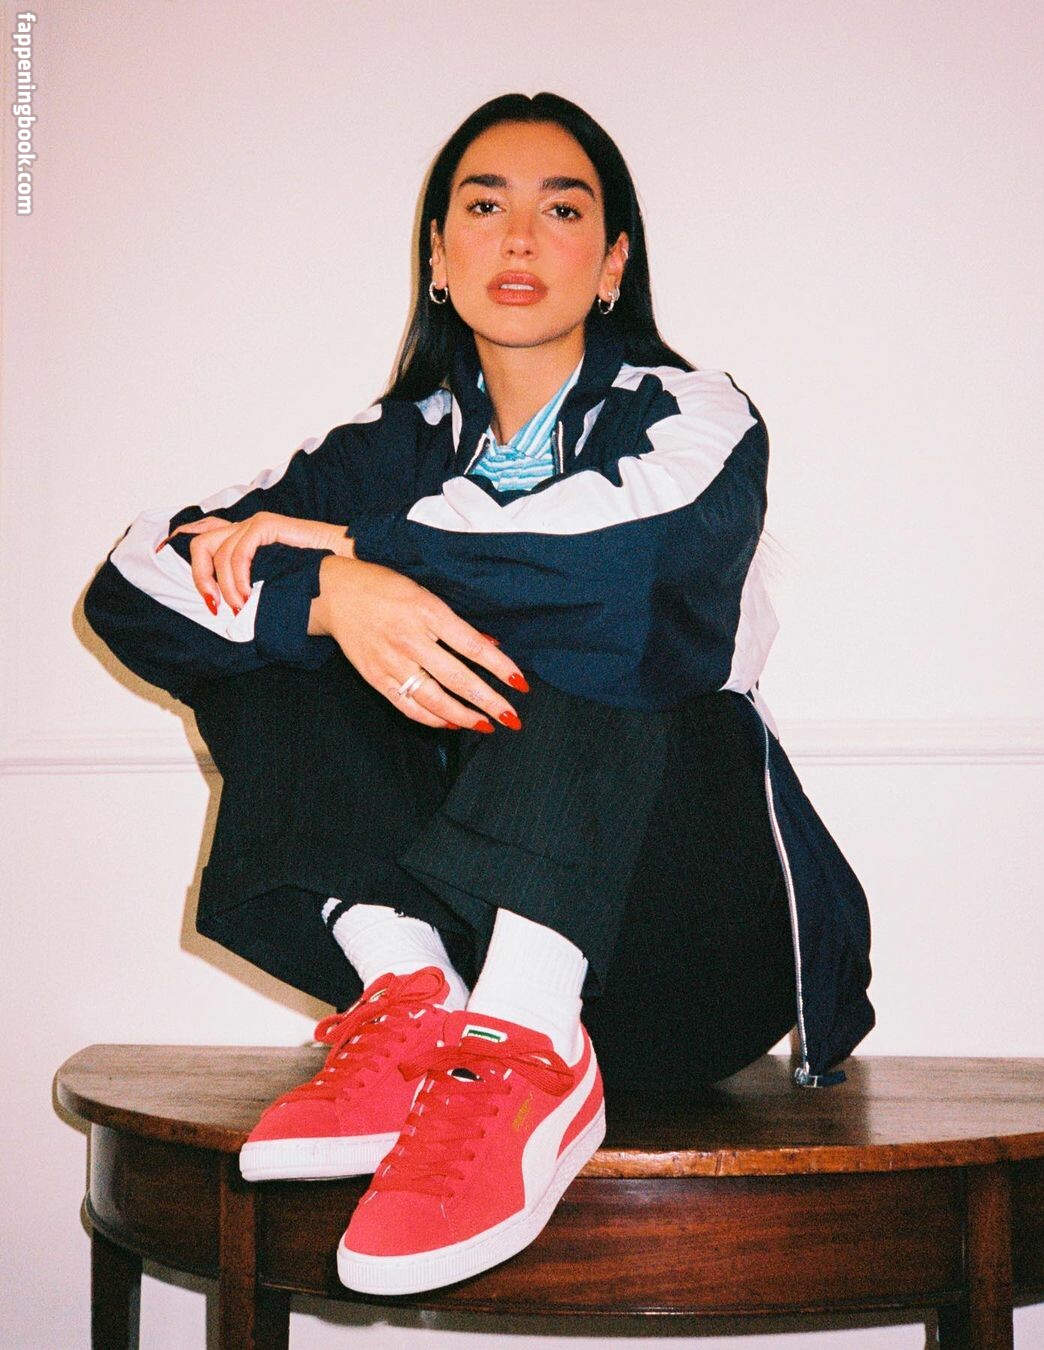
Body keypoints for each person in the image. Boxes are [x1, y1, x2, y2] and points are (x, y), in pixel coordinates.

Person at [82, 91, 875, 1296]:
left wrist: (368, 554)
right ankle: (410, 1001)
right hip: (463, 939)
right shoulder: (384, 448)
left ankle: (532, 1042)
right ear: (440, 260)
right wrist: (332, 597)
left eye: (563, 210)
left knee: (586, 620)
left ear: (614, 264)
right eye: (484, 207)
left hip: (688, 957)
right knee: (287, 626)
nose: (518, 237)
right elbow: (141, 580)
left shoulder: (692, 411)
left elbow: (634, 566)